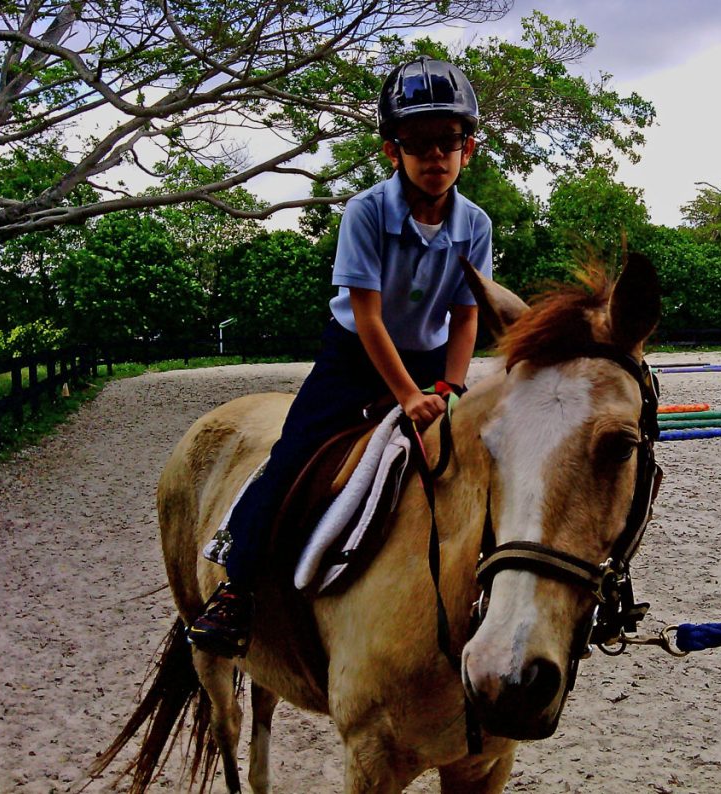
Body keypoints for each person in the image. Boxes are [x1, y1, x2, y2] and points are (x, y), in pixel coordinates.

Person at [186, 55, 493, 658]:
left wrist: (452, 387)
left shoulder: (475, 224)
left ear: (469, 149)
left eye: (448, 140)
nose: (435, 155)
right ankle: (236, 589)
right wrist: (407, 396)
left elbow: (466, 315)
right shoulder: (366, 212)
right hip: (355, 357)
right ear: (392, 151)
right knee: (293, 456)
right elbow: (369, 317)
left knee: (482, 459)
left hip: (433, 361)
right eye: (418, 142)